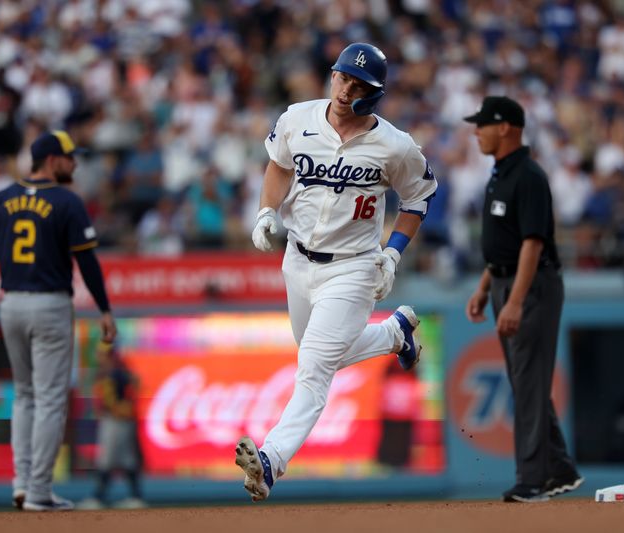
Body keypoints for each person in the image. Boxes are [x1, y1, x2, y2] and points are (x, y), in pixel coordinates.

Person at [235, 42, 438, 502]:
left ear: (375, 93)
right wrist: (266, 212)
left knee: (313, 368)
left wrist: (393, 253)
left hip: (353, 269)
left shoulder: (395, 145)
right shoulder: (297, 118)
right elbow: (278, 166)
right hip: (298, 259)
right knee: (317, 353)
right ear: (332, 75)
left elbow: (418, 198)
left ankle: (271, 460)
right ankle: (394, 334)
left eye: (359, 84)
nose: (347, 89)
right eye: (343, 77)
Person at [0, 130, 117, 511]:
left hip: (10, 303)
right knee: (49, 399)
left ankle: (21, 483)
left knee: (25, 395)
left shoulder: (2, 199)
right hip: (49, 306)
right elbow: (87, 262)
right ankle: (38, 491)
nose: (75, 162)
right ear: (51, 160)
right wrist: (104, 309)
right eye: (69, 156)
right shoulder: (66, 200)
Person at [464, 96, 582, 503]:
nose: (475, 130)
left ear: (505, 128)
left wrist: (514, 301)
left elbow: (533, 243)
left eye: (482, 124)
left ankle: (532, 480)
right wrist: (484, 287)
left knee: (529, 383)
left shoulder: (529, 176)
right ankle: (559, 468)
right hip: (503, 281)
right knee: (523, 380)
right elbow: (506, 245)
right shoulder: (500, 174)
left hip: (531, 286)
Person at [79, 341, 146, 510]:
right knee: (124, 459)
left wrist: (125, 407)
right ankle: (134, 496)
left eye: (103, 354)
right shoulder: (110, 372)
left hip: (117, 421)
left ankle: (99, 497)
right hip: (114, 420)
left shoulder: (116, 372)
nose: (100, 358)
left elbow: (135, 385)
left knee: (110, 460)